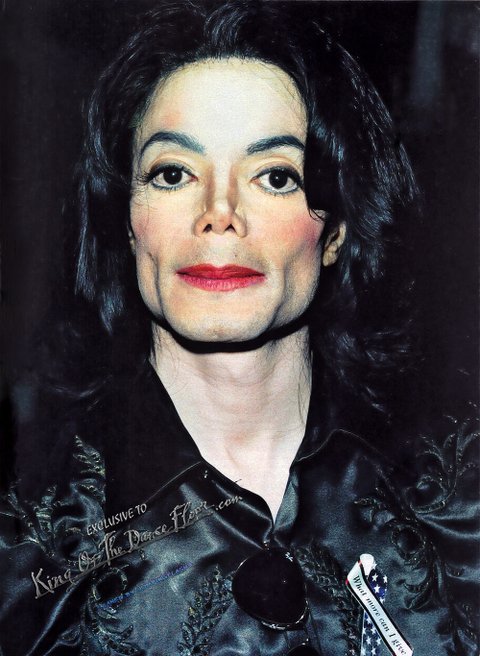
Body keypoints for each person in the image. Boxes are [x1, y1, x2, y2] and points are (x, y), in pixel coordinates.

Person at [0, 1, 477, 655]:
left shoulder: (456, 509)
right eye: (173, 173)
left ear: (336, 230)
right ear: (127, 222)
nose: (219, 212)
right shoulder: (27, 556)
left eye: (274, 177)